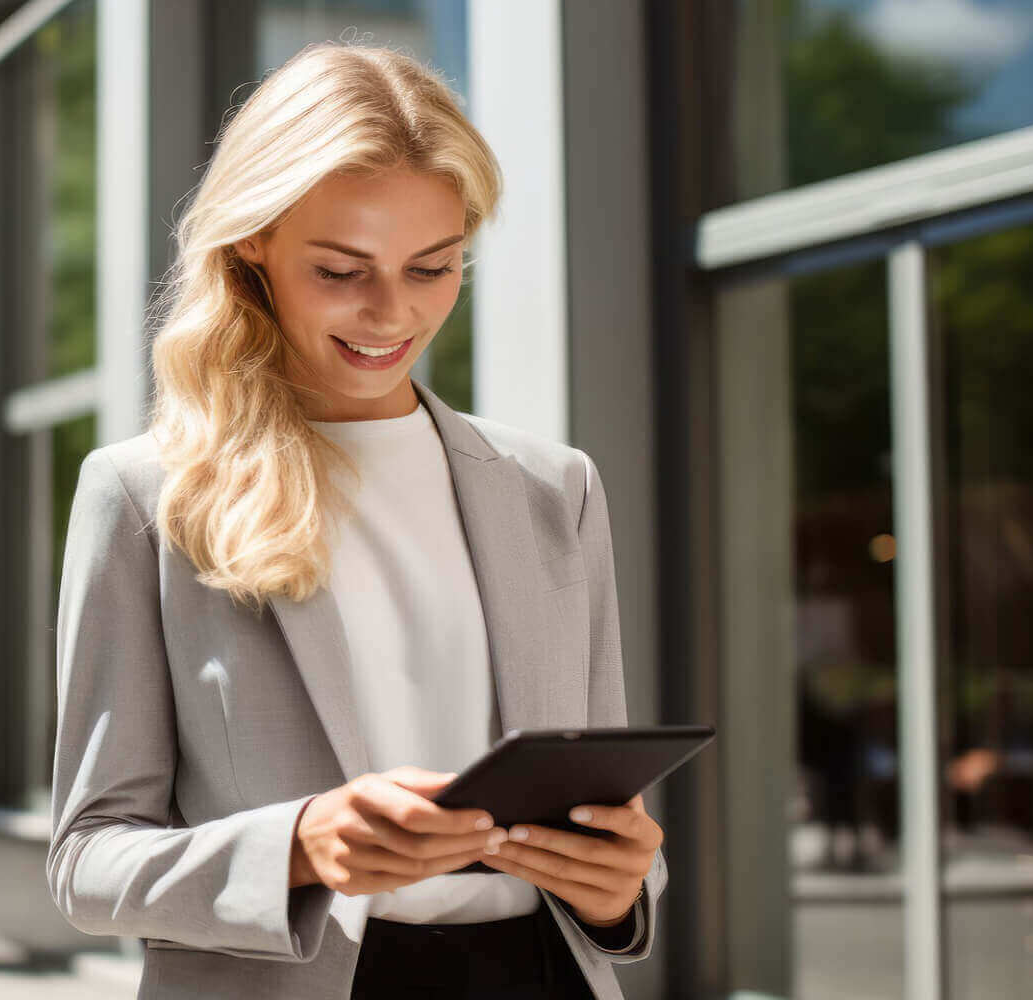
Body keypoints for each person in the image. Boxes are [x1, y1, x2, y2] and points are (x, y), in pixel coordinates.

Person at [44, 42, 668, 1000]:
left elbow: (611, 826)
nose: (392, 313)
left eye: (433, 267)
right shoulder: (143, 496)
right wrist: (295, 847)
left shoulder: (557, 489)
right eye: (341, 270)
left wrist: (622, 888)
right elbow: (86, 861)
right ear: (254, 242)